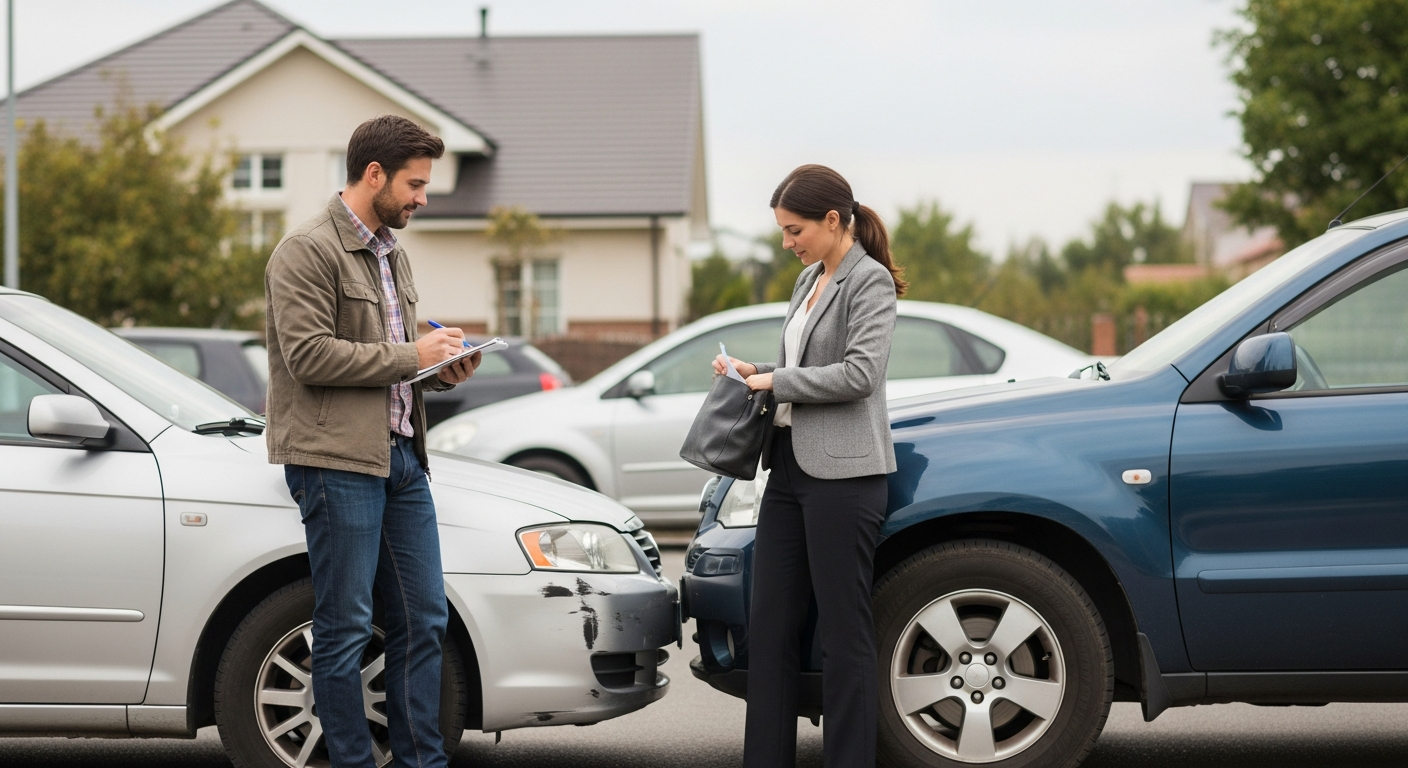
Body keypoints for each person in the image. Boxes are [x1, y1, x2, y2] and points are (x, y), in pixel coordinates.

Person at [264, 114, 478, 768]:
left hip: (403, 460)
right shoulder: (305, 251)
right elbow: (309, 357)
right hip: (336, 464)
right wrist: (412, 353)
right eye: (415, 184)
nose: (423, 198)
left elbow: (392, 366)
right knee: (346, 626)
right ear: (375, 174)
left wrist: (440, 369)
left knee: (424, 619)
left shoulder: (393, 253)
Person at [714, 164, 904, 768]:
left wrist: (777, 381)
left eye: (794, 230)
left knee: (844, 636)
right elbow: (799, 369)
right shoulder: (808, 281)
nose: (786, 242)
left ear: (832, 220)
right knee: (769, 628)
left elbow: (860, 374)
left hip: (846, 478)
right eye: (781, 230)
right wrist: (754, 373)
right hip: (789, 470)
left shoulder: (869, 281)